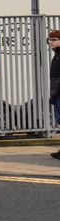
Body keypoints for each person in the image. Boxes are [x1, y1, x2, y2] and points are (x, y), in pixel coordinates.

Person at [50, 30, 60, 159]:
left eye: (54, 40)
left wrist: (56, 93)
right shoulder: (57, 55)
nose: (51, 42)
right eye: (50, 40)